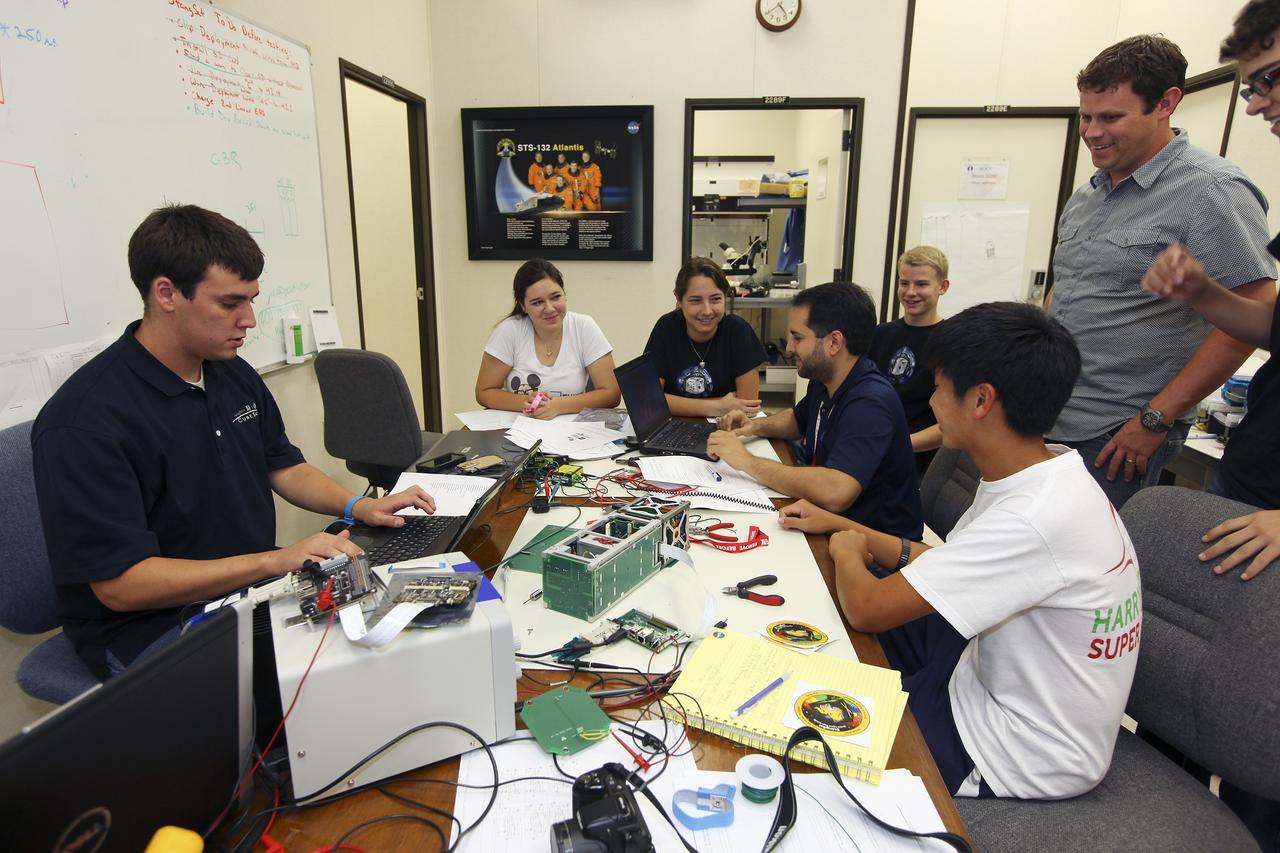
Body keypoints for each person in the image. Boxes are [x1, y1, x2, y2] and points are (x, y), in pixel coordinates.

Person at [31, 204, 437, 681]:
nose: (249, 320)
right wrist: (273, 560)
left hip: (249, 588)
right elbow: (121, 586)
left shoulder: (228, 370)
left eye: (251, 300)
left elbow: (281, 464)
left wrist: (358, 507)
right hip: (151, 627)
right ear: (166, 293)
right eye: (230, 303)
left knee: (403, 634)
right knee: (332, 688)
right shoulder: (85, 422)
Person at [779, 302, 1140, 800]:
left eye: (940, 387)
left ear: (981, 400)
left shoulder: (1031, 518)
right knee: (813, 647)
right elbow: (946, 564)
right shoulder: (1044, 471)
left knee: (803, 746)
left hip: (1012, 747)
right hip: (980, 676)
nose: (931, 399)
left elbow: (867, 609)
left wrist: (846, 549)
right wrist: (842, 524)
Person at [1046, 34, 1276, 508]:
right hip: (1050, 414)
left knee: (1094, 572)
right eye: (1086, 116)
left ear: (1167, 103)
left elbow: (1255, 314)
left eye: (1111, 117)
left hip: (1116, 433)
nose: (1092, 131)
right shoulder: (1088, 195)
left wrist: (1156, 418)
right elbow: (1066, 291)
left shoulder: (1212, 190)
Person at [708, 282, 922, 538]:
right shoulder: (827, 379)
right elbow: (797, 420)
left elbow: (835, 493)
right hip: (834, 524)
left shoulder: (870, 403)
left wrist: (746, 461)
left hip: (875, 547)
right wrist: (752, 426)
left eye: (798, 337)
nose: (788, 347)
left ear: (834, 342)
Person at [475, 257, 620, 419]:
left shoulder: (584, 326)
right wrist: (525, 401)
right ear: (523, 306)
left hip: (572, 433)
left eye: (556, 297)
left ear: (565, 294)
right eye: (537, 302)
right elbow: (484, 392)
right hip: (519, 429)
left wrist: (558, 406)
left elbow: (612, 394)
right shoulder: (509, 330)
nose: (549, 308)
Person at [643, 257, 767, 418]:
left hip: (727, 429)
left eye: (716, 299)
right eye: (696, 301)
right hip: (674, 430)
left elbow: (747, 406)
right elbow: (648, 400)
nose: (707, 311)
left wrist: (672, 402)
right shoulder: (666, 328)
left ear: (725, 297)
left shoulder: (738, 331)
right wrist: (718, 406)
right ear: (679, 300)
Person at [868, 245, 950, 480]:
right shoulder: (880, 334)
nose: (910, 292)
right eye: (904, 283)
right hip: (872, 449)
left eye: (921, 284)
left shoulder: (951, 342)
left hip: (918, 463)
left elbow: (955, 423)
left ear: (942, 287)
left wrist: (899, 444)